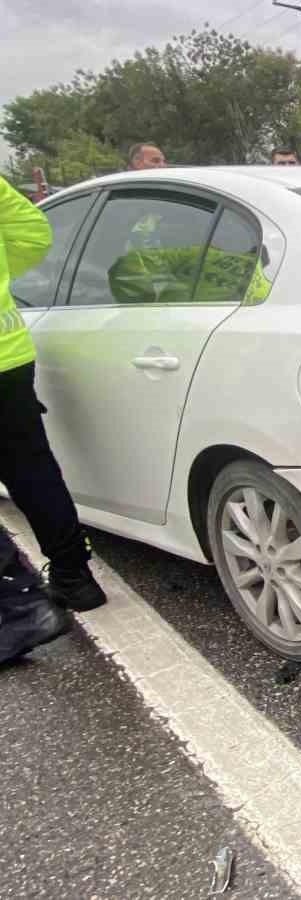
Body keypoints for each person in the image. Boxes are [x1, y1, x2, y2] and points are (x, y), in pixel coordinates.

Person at [0, 180, 106, 662]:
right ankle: (75, 578)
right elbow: (31, 232)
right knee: (33, 471)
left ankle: (18, 609)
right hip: (9, 358)